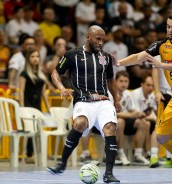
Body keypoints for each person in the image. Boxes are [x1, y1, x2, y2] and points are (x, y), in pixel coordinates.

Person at [117, 12, 172, 182]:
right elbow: (139, 56)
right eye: (168, 26)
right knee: (162, 136)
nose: (170, 30)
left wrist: (161, 64)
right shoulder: (161, 45)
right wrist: (119, 62)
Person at [47, 25, 121, 184]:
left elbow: (110, 80)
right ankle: (62, 163)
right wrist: (61, 87)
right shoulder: (72, 54)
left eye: (103, 39)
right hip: (83, 100)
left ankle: (109, 174)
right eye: (98, 39)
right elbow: (55, 72)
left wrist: (117, 99)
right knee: (80, 123)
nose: (101, 42)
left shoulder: (106, 57)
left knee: (110, 128)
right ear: (88, 37)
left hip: (103, 101)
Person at [19, 49, 50, 161]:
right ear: (28, 59)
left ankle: (38, 153)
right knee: (30, 129)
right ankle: (29, 154)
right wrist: (22, 108)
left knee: (38, 129)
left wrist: (48, 107)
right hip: (27, 104)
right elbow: (21, 91)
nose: (35, 58)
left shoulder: (40, 74)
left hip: (37, 105)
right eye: (32, 56)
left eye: (37, 56)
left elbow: (43, 93)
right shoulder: (24, 74)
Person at [113, 71, 149, 166]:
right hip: (109, 123)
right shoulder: (110, 93)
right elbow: (112, 114)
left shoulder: (127, 94)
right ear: (115, 81)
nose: (124, 84)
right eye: (121, 81)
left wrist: (138, 113)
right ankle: (119, 154)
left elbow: (132, 110)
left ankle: (137, 155)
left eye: (126, 81)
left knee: (142, 122)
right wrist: (131, 115)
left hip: (124, 122)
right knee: (120, 122)